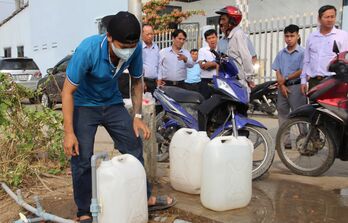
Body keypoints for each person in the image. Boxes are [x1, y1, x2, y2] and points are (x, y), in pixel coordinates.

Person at [61, 11, 174, 223]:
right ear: (110, 37)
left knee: (133, 146)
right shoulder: (88, 49)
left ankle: (144, 198)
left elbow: (137, 81)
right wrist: (69, 132)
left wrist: (137, 116)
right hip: (85, 105)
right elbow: (67, 92)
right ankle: (84, 211)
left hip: (112, 103)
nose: (128, 50)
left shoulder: (135, 48)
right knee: (82, 158)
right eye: (124, 46)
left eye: (132, 45)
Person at [300, 5, 348, 94]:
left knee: (333, 107)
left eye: (332, 17)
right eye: (326, 17)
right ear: (319, 18)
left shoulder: (343, 35)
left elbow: (344, 59)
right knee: (313, 108)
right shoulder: (312, 37)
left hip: (334, 82)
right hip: (314, 82)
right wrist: (303, 80)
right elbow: (307, 60)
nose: (330, 20)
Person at [272, 24, 306, 133]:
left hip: (296, 87)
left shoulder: (303, 53)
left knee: (300, 114)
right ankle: (284, 141)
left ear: (298, 36)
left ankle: (304, 139)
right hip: (282, 88)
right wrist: (281, 85)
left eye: (292, 35)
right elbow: (277, 70)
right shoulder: (281, 54)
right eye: (287, 36)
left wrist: (285, 78)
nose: (289, 39)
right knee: (282, 114)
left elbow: (302, 70)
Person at [216, 5, 255, 96]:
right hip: (227, 81)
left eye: (223, 19)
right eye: (220, 19)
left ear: (232, 21)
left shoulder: (238, 34)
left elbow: (246, 57)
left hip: (239, 81)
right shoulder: (223, 40)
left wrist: (249, 78)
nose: (221, 22)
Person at [198, 29, 219, 99]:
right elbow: (203, 65)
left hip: (219, 81)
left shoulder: (221, 49)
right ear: (206, 40)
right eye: (209, 38)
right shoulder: (202, 50)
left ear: (217, 37)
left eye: (213, 37)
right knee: (205, 102)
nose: (212, 40)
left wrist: (209, 63)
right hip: (206, 81)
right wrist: (217, 63)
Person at [142, 24, 159, 94]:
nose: (150, 36)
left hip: (155, 82)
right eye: (147, 34)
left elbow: (158, 64)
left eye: (152, 34)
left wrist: (159, 79)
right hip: (143, 82)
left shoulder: (156, 47)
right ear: (142, 34)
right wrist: (142, 82)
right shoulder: (139, 48)